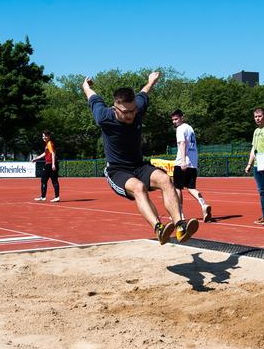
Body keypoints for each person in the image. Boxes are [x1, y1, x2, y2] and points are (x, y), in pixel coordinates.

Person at [83, 71, 198, 244]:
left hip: (139, 165)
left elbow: (144, 92)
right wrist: (86, 85)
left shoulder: (138, 108)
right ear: (115, 108)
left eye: (134, 110)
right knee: (138, 187)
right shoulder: (103, 116)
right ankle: (159, 229)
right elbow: (93, 97)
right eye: (126, 112)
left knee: (166, 180)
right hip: (117, 170)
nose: (131, 115)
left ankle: (180, 226)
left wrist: (151, 80)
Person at [170, 109, 213, 223]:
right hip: (193, 163)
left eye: (176, 119)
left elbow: (182, 143)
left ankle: (180, 214)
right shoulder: (190, 128)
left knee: (177, 188)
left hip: (182, 162)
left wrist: (183, 161)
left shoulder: (180, 129)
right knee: (191, 188)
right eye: (173, 120)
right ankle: (203, 204)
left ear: (182, 118)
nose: (174, 121)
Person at [32, 130, 60, 202]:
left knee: (44, 180)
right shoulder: (48, 144)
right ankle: (56, 197)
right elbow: (45, 154)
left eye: (45, 136)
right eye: (43, 136)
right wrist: (36, 158)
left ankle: (43, 197)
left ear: (49, 136)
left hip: (50, 164)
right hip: (51, 163)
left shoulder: (49, 143)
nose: (44, 137)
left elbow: (53, 153)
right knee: (54, 180)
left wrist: (53, 164)